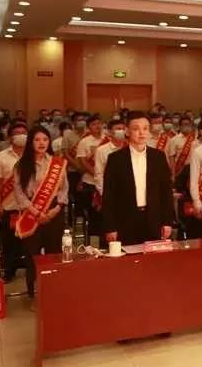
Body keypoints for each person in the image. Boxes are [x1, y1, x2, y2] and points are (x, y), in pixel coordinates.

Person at [101, 111, 175, 245]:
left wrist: (167, 221)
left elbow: (166, 192)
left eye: (145, 128)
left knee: (153, 257)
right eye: (136, 129)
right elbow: (109, 195)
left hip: (153, 219)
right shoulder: (115, 159)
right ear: (127, 131)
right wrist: (110, 227)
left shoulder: (158, 157)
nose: (142, 133)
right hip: (126, 219)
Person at [13, 125, 68, 299]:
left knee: (54, 253)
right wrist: (36, 213)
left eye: (45, 139)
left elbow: (64, 189)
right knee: (32, 256)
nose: (41, 143)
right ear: (30, 142)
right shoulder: (21, 165)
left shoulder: (58, 164)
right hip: (31, 214)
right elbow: (19, 194)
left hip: (54, 212)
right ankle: (34, 294)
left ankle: (54, 291)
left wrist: (56, 209)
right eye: (37, 139)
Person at [0, 123, 28, 281]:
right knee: (9, 241)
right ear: (10, 137)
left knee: (29, 241)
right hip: (9, 205)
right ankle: (9, 270)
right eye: (17, 133)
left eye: (24, 132)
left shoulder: (34, 154)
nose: (21, 136)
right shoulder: (1, 156)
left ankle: (30, 269)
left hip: (30, 207)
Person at [74, 116, 110, 244]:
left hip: (107, 182)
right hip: (90, 183)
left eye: (99, 123)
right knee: (93, 215)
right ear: (89, 127)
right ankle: (93, 243)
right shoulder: (84, 142)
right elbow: (83, 161)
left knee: (107, 214)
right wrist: (96, 173)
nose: (97, 126)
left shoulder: (108, 139)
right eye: (94, 124)